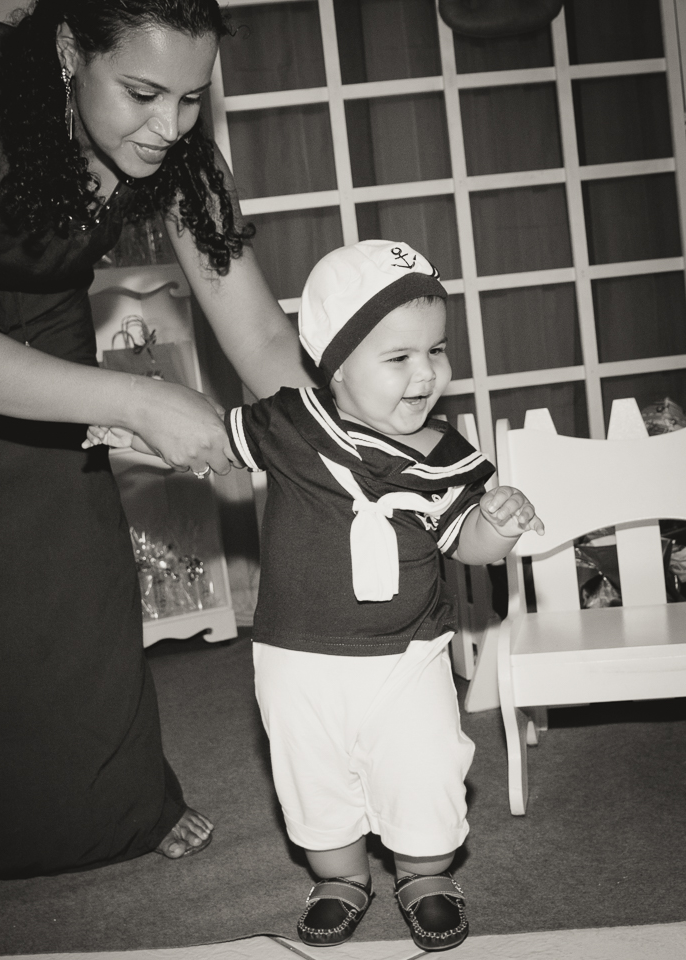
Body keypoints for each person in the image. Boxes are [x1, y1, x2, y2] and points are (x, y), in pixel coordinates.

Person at [0, 0, 310, 883]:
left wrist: (353, 441)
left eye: (191, 98)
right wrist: (141, 401)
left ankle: (118, 804)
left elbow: (259, 335)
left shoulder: (176, 149)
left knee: (73, 565)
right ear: (71, 51)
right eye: (142, 93)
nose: (169, 126)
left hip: (41, 316)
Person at [224, 240, 545, 951]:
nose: (426, 373)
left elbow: (463, 543)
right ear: (335, 363)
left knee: (422, 765)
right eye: (399, 357)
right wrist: (131, 428)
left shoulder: (444, 455)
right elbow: (208, 442)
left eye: (437, 350)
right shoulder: (290, 425)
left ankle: (425, 874)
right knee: (312, 776)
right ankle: (340, 877)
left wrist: (495, 527)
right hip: (297, 656)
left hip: (408, 653)